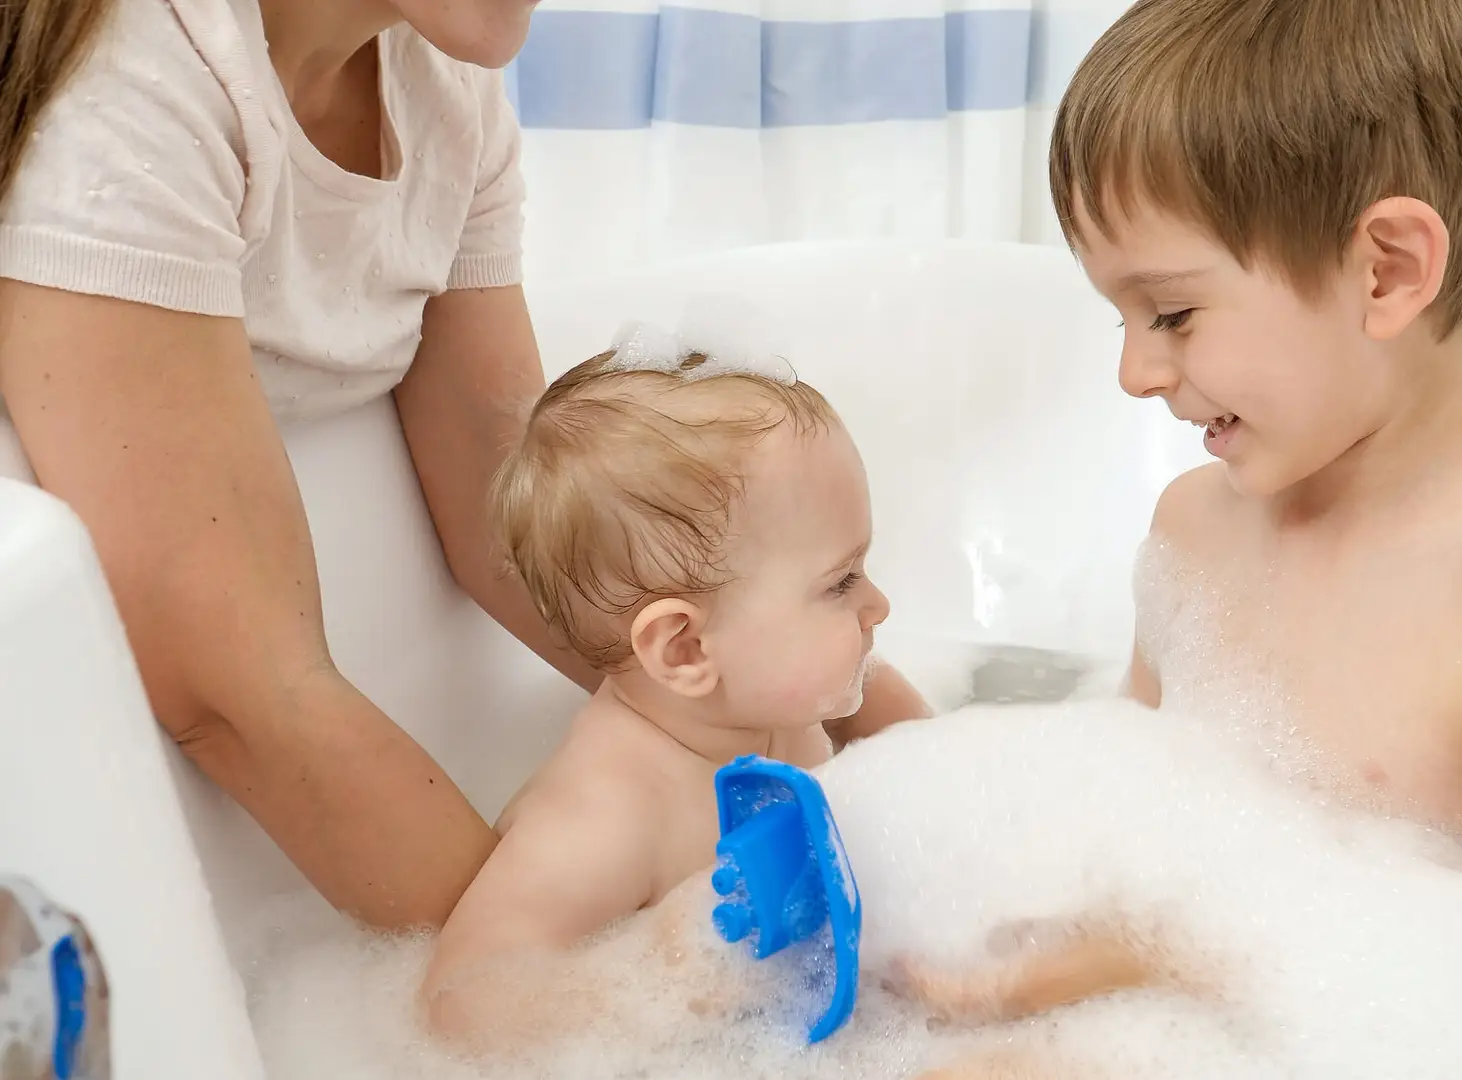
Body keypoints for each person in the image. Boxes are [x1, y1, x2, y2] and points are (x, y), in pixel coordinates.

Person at [0, 0, 927, 932]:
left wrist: (919, 752)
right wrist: (547, 969)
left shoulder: (437, 69)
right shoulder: (129, 95)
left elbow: (527, 514)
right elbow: (238, 698)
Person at [882, 0, 1462, 1045]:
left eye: (1170, 313)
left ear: (1385, 270)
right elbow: (1117, 811)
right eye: (1119, 319)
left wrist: (1156, 950)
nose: (1135, 372)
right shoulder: (1194, 530)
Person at [417, 333, 894, 1045]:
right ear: (685, 647)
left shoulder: (768, 701)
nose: (878, 603)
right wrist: (668, 966)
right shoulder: (608, 814)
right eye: (841, 582)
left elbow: (913, 734)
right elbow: (461, 1003)